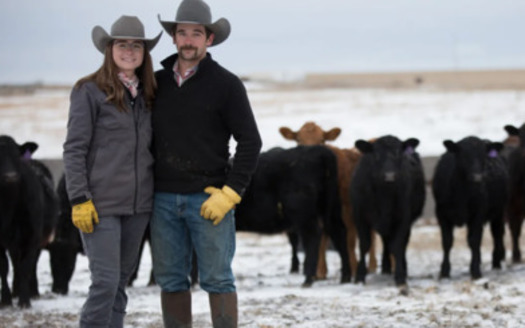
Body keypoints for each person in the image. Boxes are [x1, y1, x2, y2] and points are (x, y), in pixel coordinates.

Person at [151, 0, 262, 327]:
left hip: (210, 196)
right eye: (182, 33)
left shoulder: (226, 84)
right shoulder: (156, 84)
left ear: (209, 39)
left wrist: (231, 192)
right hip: (162, 199)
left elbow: (250, 141)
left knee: (217, 278)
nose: (188, 40)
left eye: (196, 34)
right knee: (170, 279)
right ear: (173, 37)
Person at [62, 15, 161, 328]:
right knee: (104, 282)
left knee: (120, 283)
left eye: (136, 45)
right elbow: (74, 148)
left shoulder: (149, 94)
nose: (129, 51)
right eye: (122, 44)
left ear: (144, 52)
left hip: (138, 206)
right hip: (100, 205)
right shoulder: (88, 91)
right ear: (109, 48)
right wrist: (79, 197)